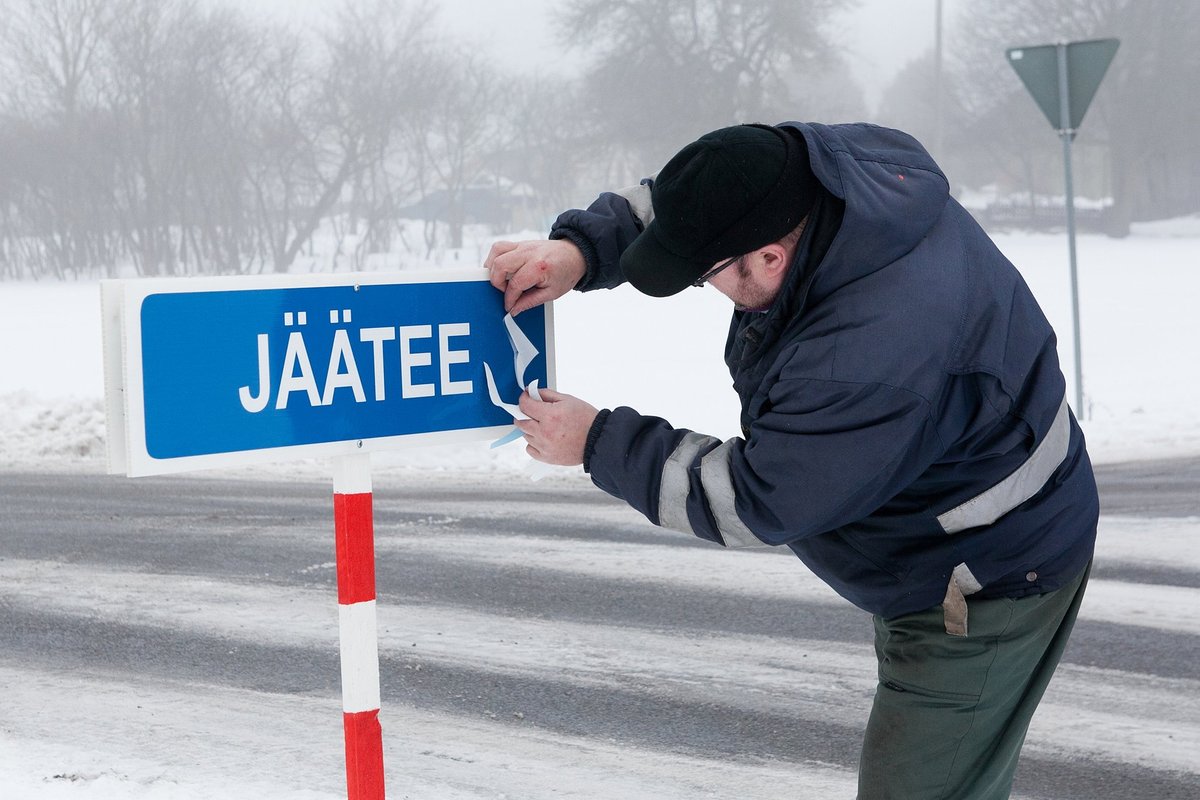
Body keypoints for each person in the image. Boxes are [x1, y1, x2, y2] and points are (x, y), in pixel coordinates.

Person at [484, 121, 1098, 800]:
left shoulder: (866, 357)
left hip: (986, 572)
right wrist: (580, 250)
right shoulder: (837, 171)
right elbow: (702, 196)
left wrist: (597, 442)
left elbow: (756, 499)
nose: (706, 287)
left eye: (706, 277)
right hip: (942, 514)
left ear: (771, 258)